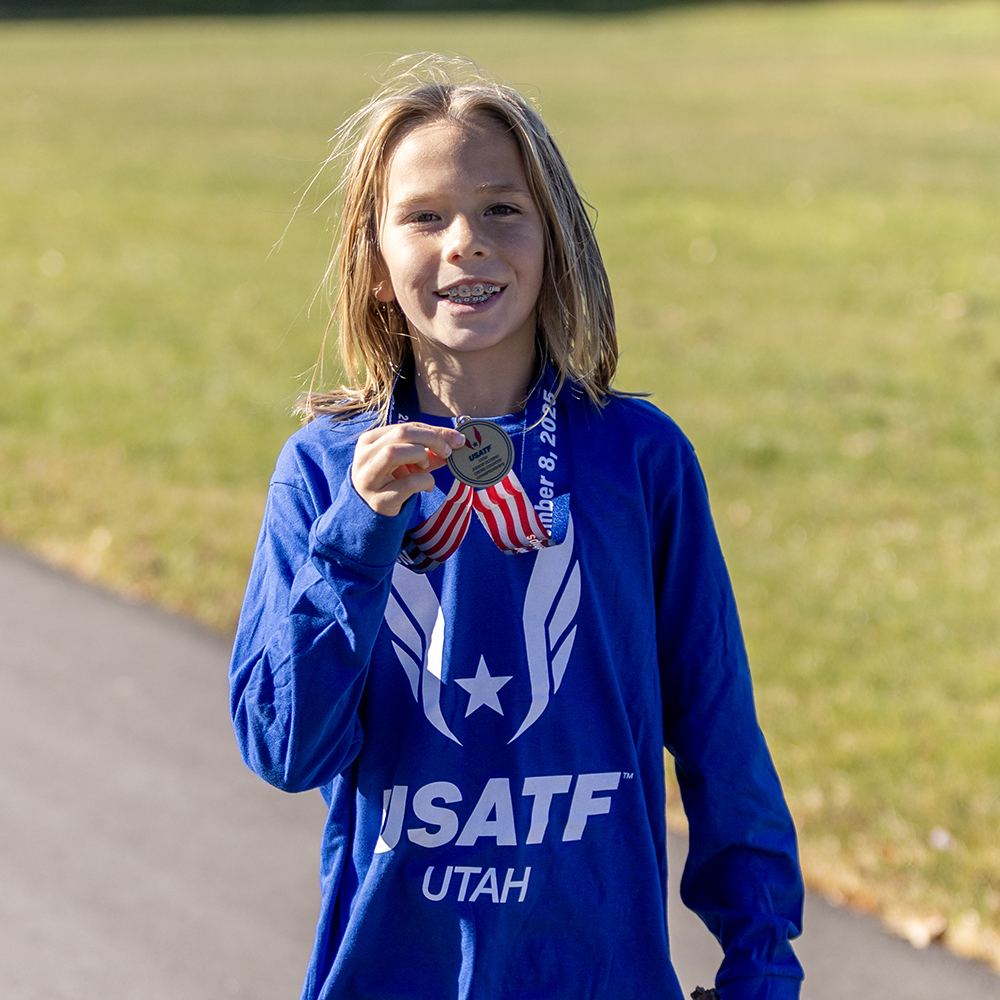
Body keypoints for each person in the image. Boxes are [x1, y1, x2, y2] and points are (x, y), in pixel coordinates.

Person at [230, 56, 804, 1000]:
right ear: (375, 266)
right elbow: (286, 749)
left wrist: (762, 963)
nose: (467, 243)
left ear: (554, 241)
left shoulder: (638, 456)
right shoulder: (326, 471)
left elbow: (720, 733)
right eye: (424, 217)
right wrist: (357, 535)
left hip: (600, 976)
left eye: (502, 209)